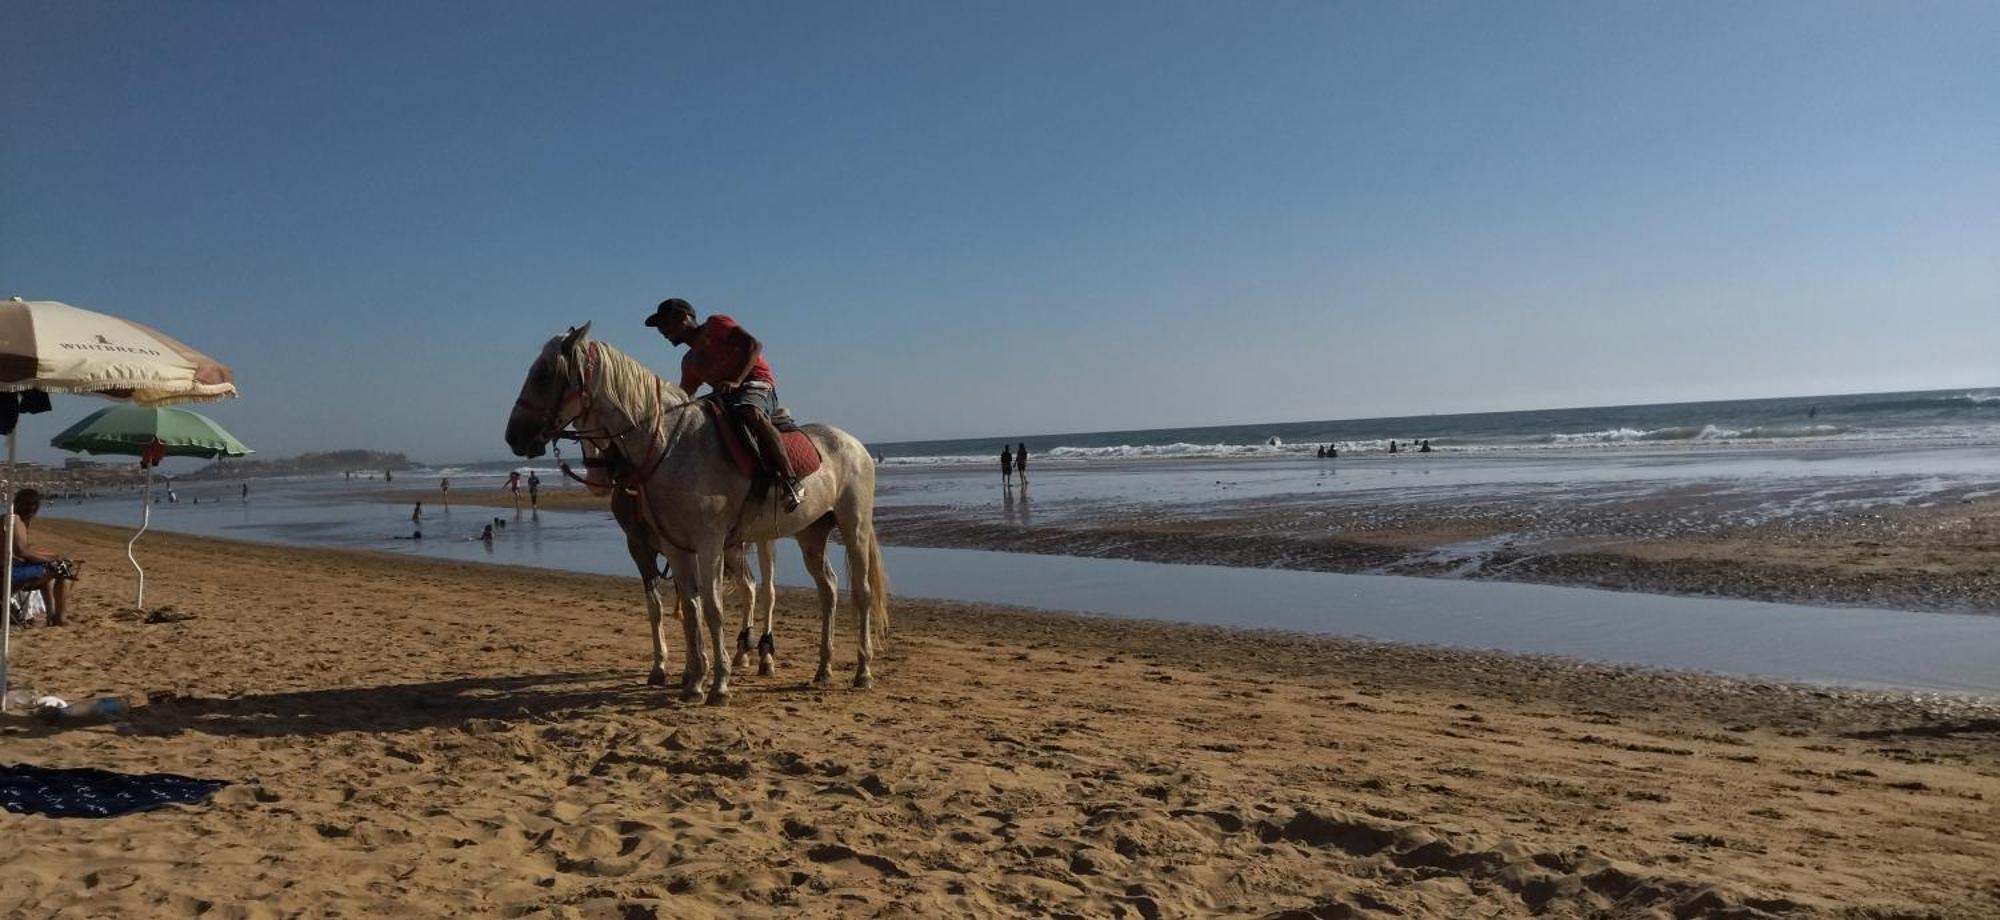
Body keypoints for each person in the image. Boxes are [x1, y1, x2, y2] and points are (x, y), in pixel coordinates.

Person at [645, 297, 804, 512]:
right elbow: (685, 397)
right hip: (725, 397)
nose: (662, 332)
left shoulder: (716, 325)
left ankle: (790, 480)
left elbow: (754, 345)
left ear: (684, 317)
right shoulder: (690, 361)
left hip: (756, 384)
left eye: (665, 324)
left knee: (748, 410)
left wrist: (737, 380)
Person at [8, 489, 81, 627]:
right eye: (31, 505)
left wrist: (52, 556)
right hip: (10, 575)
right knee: (60, 567)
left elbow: (23, 551)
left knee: (50, 566)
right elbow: (22, 552)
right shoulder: (15, 520)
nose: (32, 509)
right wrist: (51, 560)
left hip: (12, 568)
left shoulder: (19, 520)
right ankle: (59, 617)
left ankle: (51, 616)